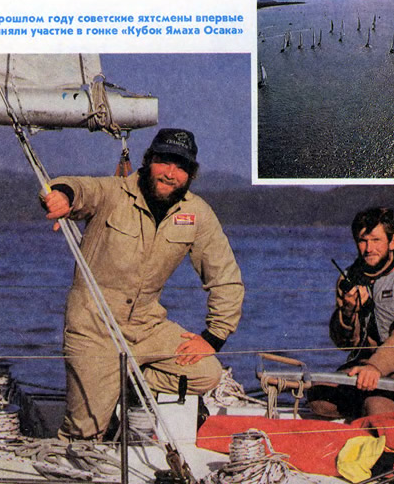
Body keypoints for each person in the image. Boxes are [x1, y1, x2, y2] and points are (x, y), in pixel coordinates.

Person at [42, 128, 244, 440]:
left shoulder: (196, 213)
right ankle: (105, 388)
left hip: (147, 328)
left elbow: (225, 277)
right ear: (149, 160)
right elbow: (79, 188)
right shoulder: (113, 192)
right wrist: (62, 196)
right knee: (84, 433)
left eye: (181, 167)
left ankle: (120, 381)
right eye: (164, 162)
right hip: (94, 329)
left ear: (191, 174)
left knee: (206, 373)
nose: (171, 174)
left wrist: (214, 336)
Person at [308, 206, 394, 419]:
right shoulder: (348, 278)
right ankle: (362, 418)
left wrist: (375, 366)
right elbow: (344, 344)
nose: (369, 249)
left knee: (377, 407)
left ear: (392, 241)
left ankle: (385, 418)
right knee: (318, 399)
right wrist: (348, 311)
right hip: (365, 366)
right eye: (363, 241)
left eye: (376, 240)